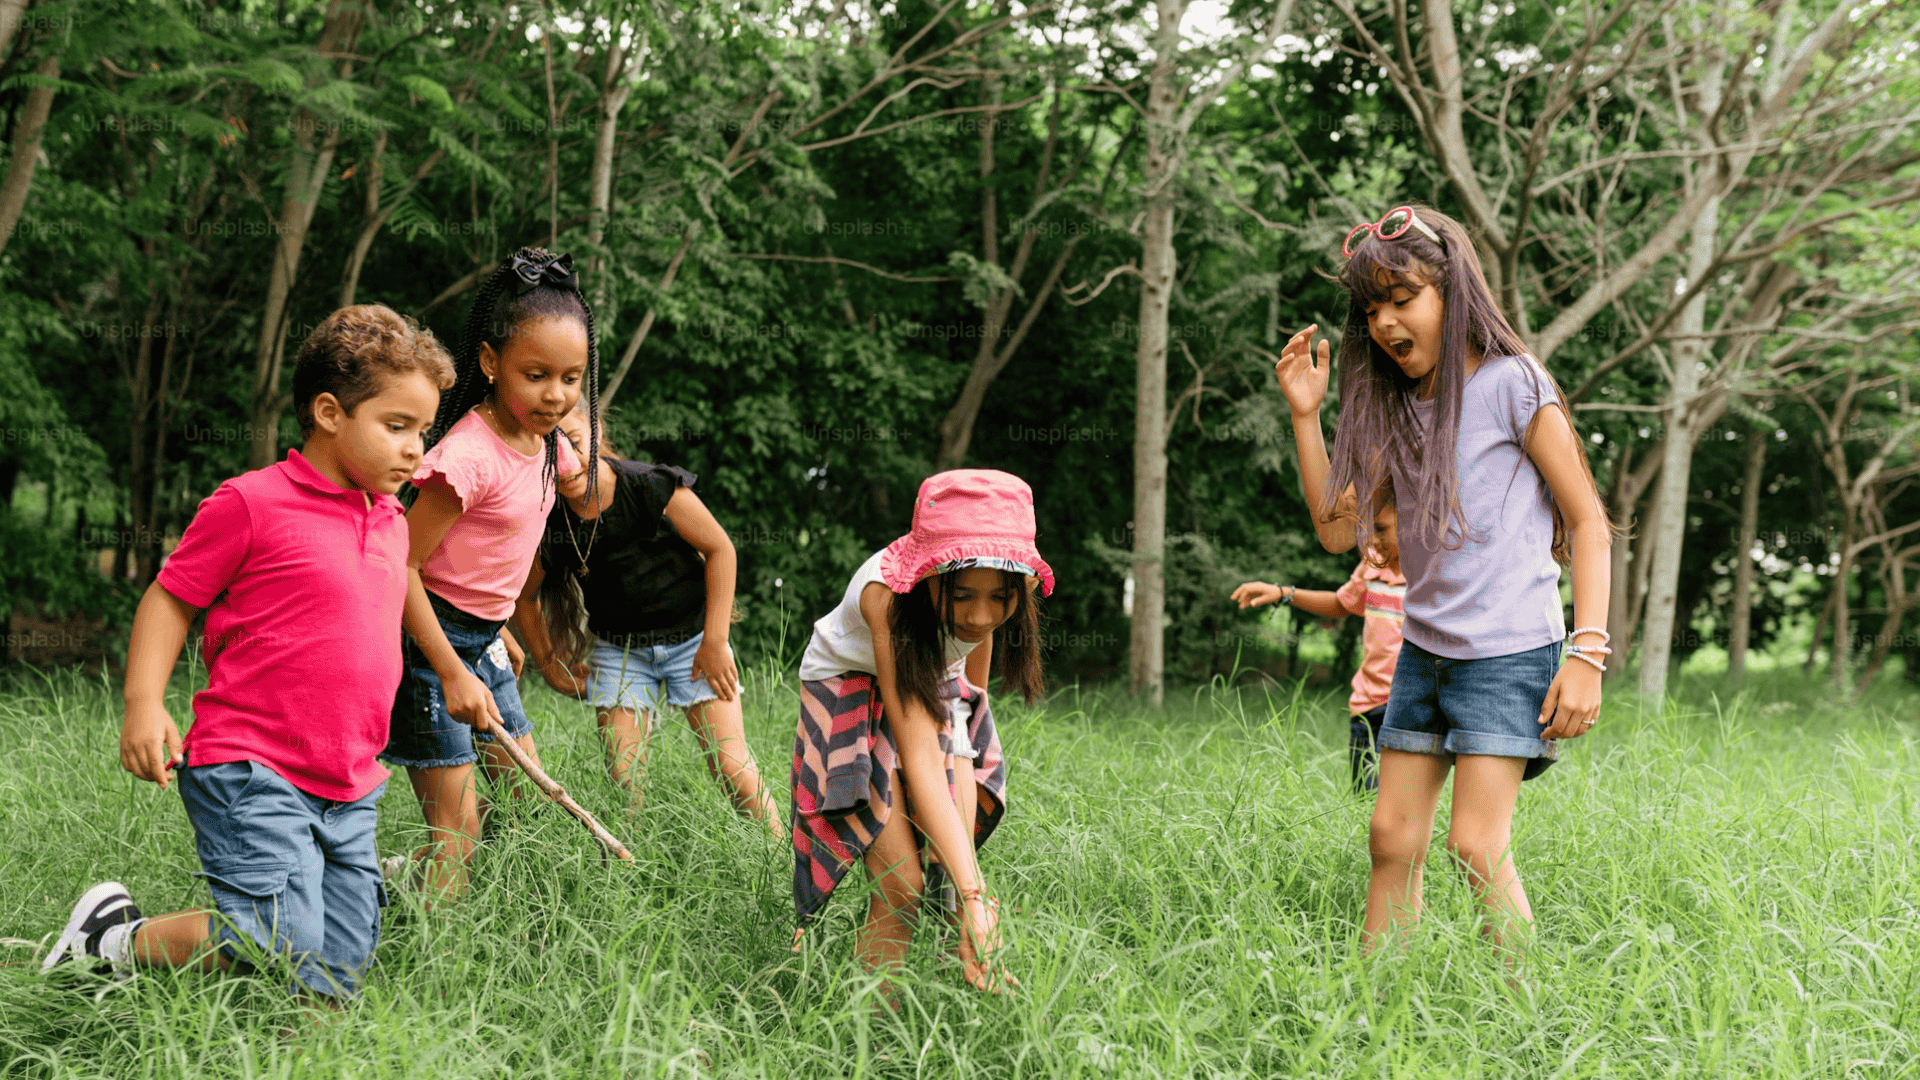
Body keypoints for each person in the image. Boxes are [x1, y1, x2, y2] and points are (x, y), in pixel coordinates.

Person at [41, 306, 453, 1000]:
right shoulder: (253, 504)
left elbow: (390, 609)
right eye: (397, 426)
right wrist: (144, 703)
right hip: (252, 763)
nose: (417, 449)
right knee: (277, 939)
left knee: (337, 970)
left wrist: (460, 657)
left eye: (424, 431)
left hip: (350, 781)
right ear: (329, 412)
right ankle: (109, 940)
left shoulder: (389, 520)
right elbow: (170, 599)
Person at [1273, 204, 1612, 958]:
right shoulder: (1395, 406)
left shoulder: (1514, 384)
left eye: (1404, 299)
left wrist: (1587, 655)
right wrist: (1305, 417)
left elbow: (1587, 521)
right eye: (1372, 309)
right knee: (1391, 838)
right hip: (1424, 652)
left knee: (1474, 845)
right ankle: (1375, 1007)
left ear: (1451, 291)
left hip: (1509, 653)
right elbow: (1337, 531)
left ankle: (1528, 1020)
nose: (1387, 322)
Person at [381, 248, 594, 897]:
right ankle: (433, 970)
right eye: (536, 375)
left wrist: (497, 627)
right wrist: (450, 665)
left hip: (480, 640)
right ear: (489, 362)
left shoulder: (547, 439)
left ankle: (392, 886)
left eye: (571, 376)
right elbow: (402, 566)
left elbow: (563, 504)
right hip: (426, 644)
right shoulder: (465, 459)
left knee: (525, 795)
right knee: (460, 832)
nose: (555, 394)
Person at [790, 469, 1050, 995]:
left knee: (946, 871)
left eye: (1000, 597)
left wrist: (966, 894)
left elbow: (959, 722)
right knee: (901, 887)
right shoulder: (886, 597)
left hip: (928, 690)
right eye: (961, 596)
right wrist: (976, 898)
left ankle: (961, 929)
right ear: (930, 574)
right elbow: (919, 752)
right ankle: (870, 1045)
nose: (980, 617)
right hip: (848, 692)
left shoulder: (985, 613)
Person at [512, 404, 783, 838]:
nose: (565, 461)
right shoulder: (549, 520)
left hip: (694, 643)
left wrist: (714, 642)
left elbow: (721, 550)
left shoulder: (649, 486)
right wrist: (548, 664)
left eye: (575, 442)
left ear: (596, 431)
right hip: (619, 652)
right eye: (548, 452)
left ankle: (785, 857)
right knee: (624, 777)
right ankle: (635, 870)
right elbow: (525, 597)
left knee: (731, 766)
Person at [1232, 503, 1405, 792]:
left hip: (1408, 706)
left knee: (1400, 807)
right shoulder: (1371, 566)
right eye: (1369, 529)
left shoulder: (1429, 577)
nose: (1372, 540)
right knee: (1364, 799)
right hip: (1367, 705)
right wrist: (1283, 593)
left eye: (1381, 529)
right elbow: (1341, 604)